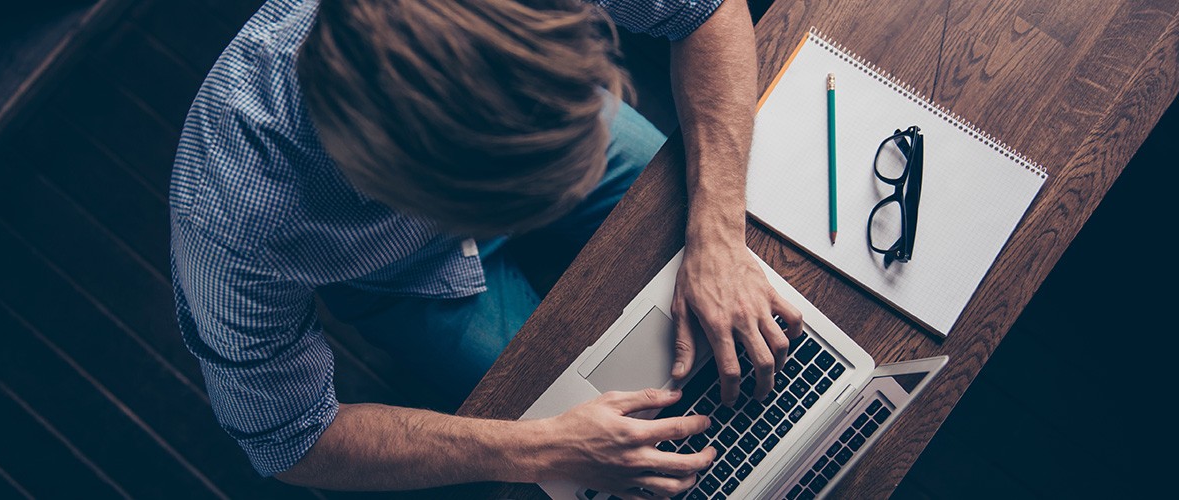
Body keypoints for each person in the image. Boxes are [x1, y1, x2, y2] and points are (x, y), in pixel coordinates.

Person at [170, 0, 804, 496]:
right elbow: (293, 439)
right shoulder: (230, 219)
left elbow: (701, 10)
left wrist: (717, 230)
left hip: (558, 124)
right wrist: (541, 447)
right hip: (399, 276)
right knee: (556, 410)